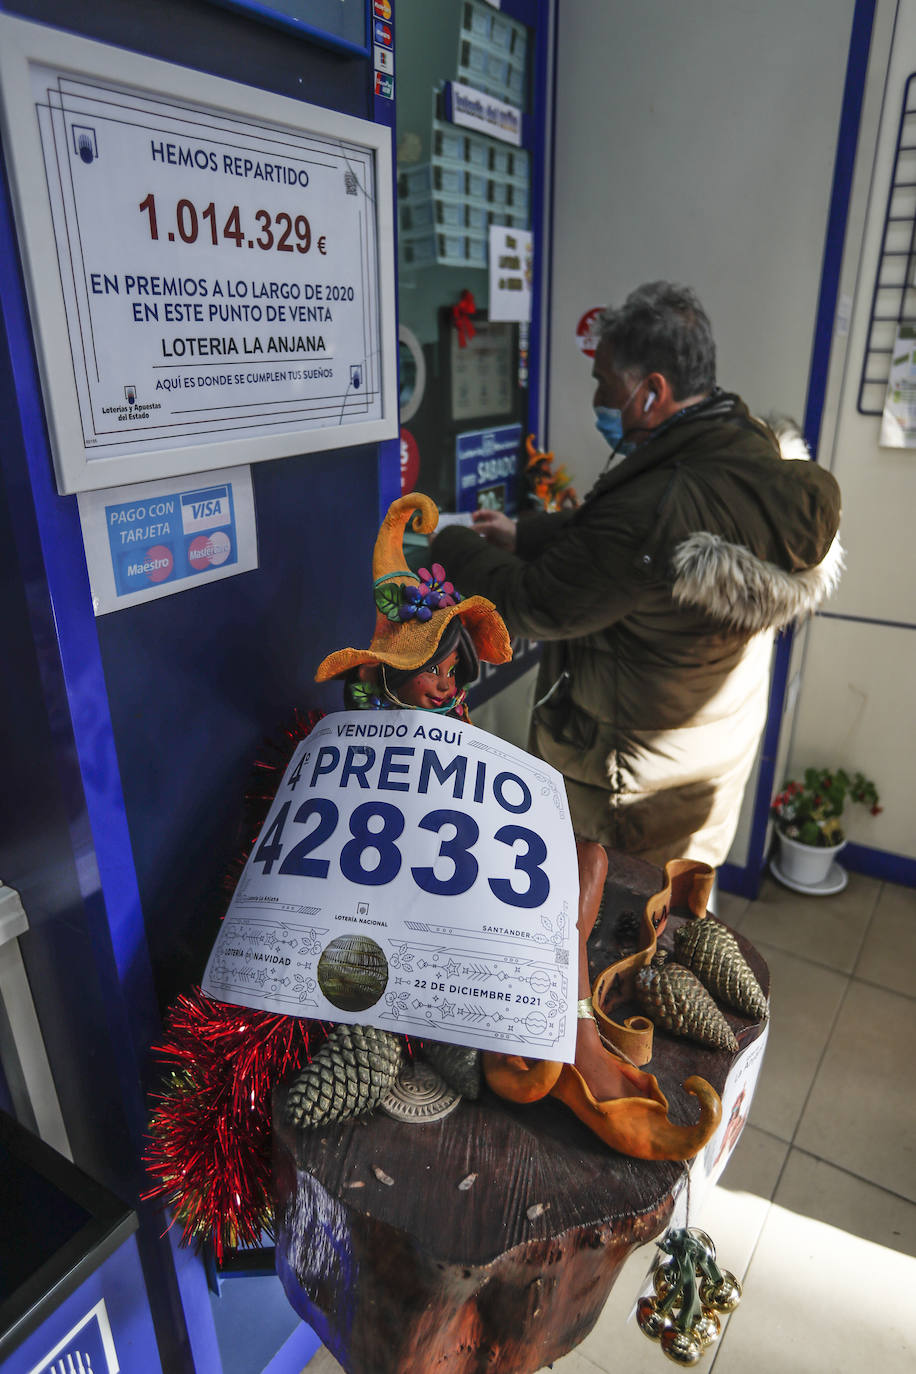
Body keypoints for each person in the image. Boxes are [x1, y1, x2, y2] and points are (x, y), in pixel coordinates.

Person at [431, 282, 843, 868]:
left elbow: (534, 603)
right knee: (678, 922)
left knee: (614, 938)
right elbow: (618, 532)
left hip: (631, 797)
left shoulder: (659, 508)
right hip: (704, 766)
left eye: (604, 383)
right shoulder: (745, 444)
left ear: (653, 392)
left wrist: (446, 541)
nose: (597, 396)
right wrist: (524, 533)